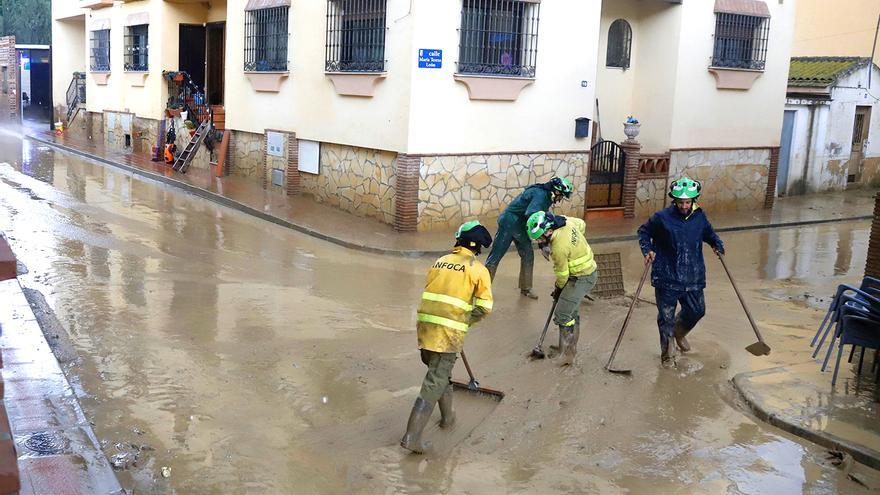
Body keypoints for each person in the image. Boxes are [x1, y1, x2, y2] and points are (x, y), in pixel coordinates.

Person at [400, 221, 494, 454]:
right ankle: (411, 437)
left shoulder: (440, 261)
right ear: (478, 248)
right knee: (434, 381)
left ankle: (448, 418)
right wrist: (464, 321)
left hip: (425, 327)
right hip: (449, 332)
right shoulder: (478, 269)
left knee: (439, 373)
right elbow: (484, 307)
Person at [637, 177, 725, 368]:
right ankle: (667, 356)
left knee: (697, 311)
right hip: (666, 276)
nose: (684, 206)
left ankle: (679, 332)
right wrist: (647, 250)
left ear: (693, 200)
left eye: (687, 202)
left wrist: (717, 244)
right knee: (666, 317)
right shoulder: (661, 218)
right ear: (674, 200)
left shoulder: (700, 217)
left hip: (693, 276)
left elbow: (709, 234)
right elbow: (643, 232)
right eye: (681, 202)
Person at [526, 211, 598, 365]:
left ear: (549, 231)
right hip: (585, 271)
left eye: (539, 238)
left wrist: (558, 289)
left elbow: (562, 275)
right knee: (571, 310)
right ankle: (565, 348)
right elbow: (582, 225)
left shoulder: (558, 247)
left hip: (582, 277)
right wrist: (576, 243)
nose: (538, 241)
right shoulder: (565, 221)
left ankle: (568, 354)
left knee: (563, 314)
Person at [485, 177, 574, 300]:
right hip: (509, 223)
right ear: (557, 191)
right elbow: (532, 215)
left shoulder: (546, 196)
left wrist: (542, 242)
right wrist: (543, 243)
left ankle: (526, 288)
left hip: (521, 226)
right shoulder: (541, 195)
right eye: (561, 196)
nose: (560, 200)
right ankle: (481, 290)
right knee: (495, 256)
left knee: (528, 255)